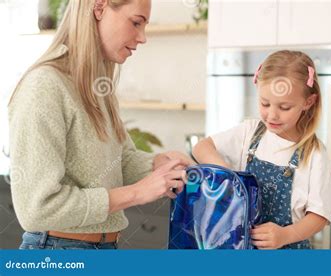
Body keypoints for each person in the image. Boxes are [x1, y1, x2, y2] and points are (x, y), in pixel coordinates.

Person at [8, 0, 193, 250]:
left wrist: (157, 165)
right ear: (99, 8)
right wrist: (137, 193)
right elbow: (38, 209)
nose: (142, 38)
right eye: (136, 22)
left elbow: (118, 160)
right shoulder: (44, 87)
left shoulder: (97, 87)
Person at [192, 50, 331, 249]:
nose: (272, 115)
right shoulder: (250, 133)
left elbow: (320, 215)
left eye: (284, 107)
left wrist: (285, 235)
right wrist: (231, 177)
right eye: (265, 103)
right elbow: (202, 147)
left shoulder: (314, 153)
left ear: (308, 102)